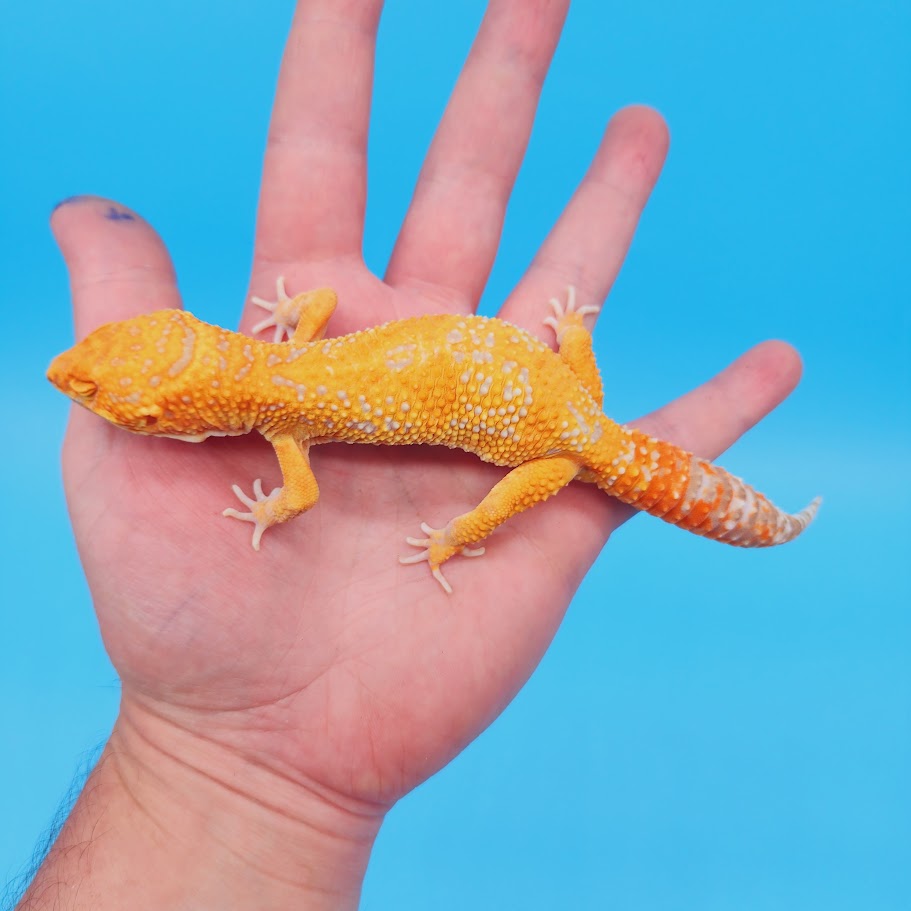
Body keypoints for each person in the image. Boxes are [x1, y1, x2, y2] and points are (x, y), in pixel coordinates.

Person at [20, 1, 803, 908]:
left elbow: (300, 496)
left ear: (180, 417)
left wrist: (440, 531)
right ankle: (750, 512)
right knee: (578, 430)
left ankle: (748, 525)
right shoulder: (292, 355)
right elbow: (310, 314)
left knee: (526, 488)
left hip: (554, 442)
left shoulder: (286, 426)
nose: (66, 376)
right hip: (563, 397)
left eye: (98, 390)